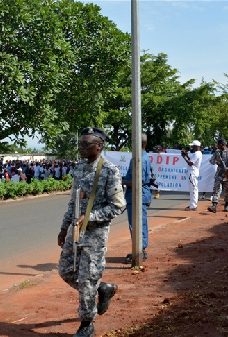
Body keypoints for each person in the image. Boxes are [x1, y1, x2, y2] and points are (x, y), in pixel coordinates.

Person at [57, 127, 126, 337]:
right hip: (76, 231)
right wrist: (64, 227)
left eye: (85, 145)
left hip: (95, 235)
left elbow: (118, 205)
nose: (81, 148)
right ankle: (102, 288)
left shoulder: (109, 170)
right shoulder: (79, 168)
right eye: (80, 144)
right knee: (65, 270)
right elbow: (74, 201)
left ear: (99, 146)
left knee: (87, 278)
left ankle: (87, 323)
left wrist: (90, 217)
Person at [123, 133, 152, 264]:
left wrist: (122, 181)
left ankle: (140, 251)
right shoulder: (141, 157)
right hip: (136, 195)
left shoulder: (140, 158)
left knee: (137, 224)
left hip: (137, 195)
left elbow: (138, 181)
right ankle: (139, 250)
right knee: (138, 224)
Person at [208, 138, 228, 213]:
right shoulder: (217, 152)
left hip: (227, 174)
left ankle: (227, 204)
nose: (216, 146)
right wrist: (216, 162)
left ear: (222, 144)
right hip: (219, 173)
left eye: (218, 144)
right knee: (216, 189)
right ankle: (214, 205)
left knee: (227, 190)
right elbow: (211, 161)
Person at [182, 140, 202, 211]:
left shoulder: (197, 153)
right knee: (194, 189)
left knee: (193, 189)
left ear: (196, 146)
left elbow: (190, 163)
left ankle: (193, 206)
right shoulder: (198, 153)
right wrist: (187, 156)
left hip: (192, 172)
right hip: (193, 172)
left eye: (193, 146)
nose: (192, 147)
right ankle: (193, 204)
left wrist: (184, 157)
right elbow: (192, 161)